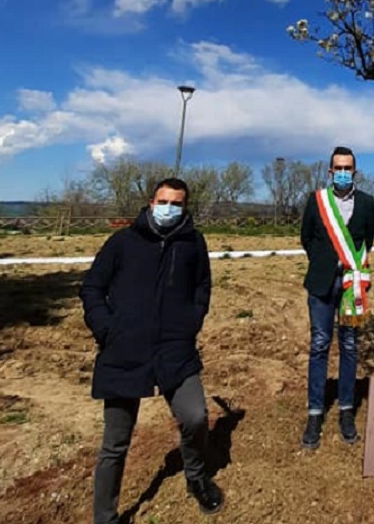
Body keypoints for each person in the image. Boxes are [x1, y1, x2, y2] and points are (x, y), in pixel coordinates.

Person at [79, 178, 223, 523]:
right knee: (115, 443)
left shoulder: (192, 243)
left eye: (176, 203)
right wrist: (107, 329)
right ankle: (105, 517)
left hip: (176, 349)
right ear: (150, 202)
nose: (168, 209)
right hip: (124, 352)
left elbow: (202, 286)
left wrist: (192, 322)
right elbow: (92, 288)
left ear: (184, 207)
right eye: (163, 201)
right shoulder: (122, 243)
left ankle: (196, 476)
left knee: (195, 417)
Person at [300, 146, 374, 449]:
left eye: (348, 168)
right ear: (330, 171)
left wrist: (351, 270)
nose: (343, 172)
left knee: (349, 345)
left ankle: (346, 409)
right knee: (319, 344)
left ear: (354, 172)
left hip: (350, 287)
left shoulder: (367, 203)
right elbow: (306, 237)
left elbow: (367, 240)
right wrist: (323, 260)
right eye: (338, 168)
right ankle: (315, 412)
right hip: (320, 284)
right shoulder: (316, 201)